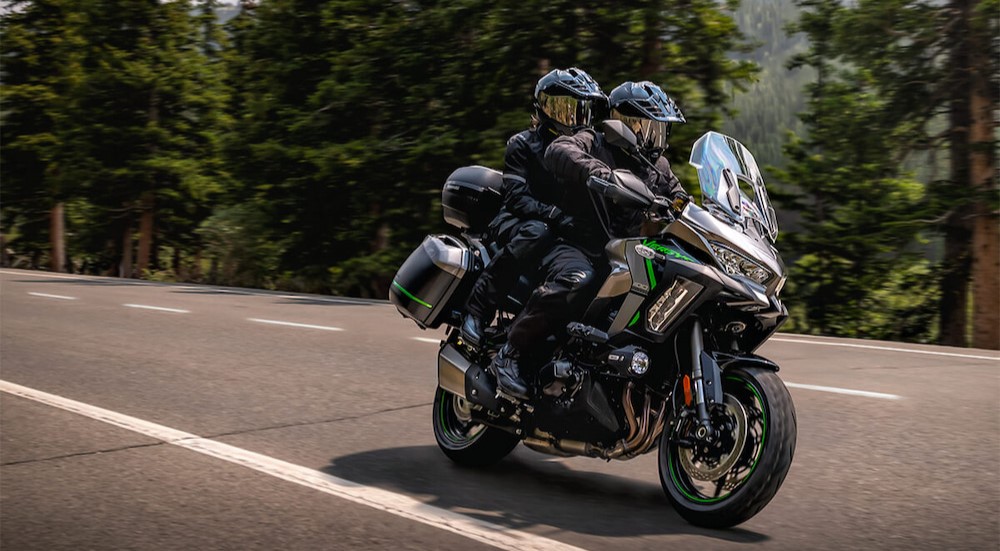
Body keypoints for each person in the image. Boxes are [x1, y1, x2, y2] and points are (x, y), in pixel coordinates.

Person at [491, 80, 688, 399]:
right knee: (576, 280)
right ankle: (509, 356)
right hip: (577, 244)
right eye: (651, 128)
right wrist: (601, 174)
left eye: (661, 130)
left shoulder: (657, 167)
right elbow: (560, 150)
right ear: (626, 124)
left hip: (626, 254)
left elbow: (680, 199)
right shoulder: (594, 141)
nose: (657, 138)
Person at [460, 68, 607, 353]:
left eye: (580, 109)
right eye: (564, 107)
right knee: (537, 232)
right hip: (515, 220)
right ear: (545, 107)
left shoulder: (585, 150)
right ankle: (476, 310)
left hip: (560, 229)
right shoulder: (522, 145)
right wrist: (554, 216)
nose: (573, 117)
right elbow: (516, 198)